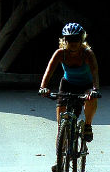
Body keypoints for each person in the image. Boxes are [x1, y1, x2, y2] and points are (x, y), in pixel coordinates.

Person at [39, 22, 101, 156]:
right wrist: (43, 87)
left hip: (86, 86)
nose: (72, 42)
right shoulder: (60, 53)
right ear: (64, 40)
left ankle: (88, 126)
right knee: (61, 125)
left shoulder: (87, 53)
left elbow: (95, 71)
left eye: (76, 39)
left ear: (81, 40)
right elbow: (49, 71)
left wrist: (94, 89)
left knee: (91, 98)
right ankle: (59, 160)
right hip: (67, 84)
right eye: (69, 39)